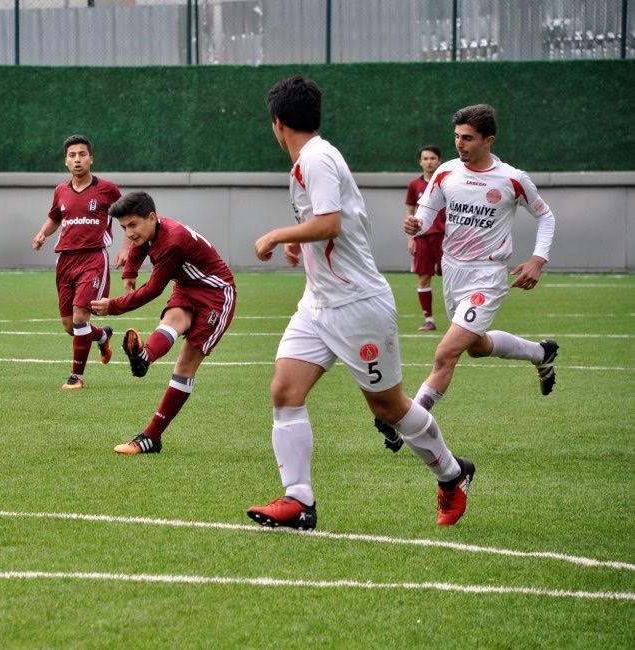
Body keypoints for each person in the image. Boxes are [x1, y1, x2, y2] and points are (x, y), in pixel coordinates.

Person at [245, 76, 474, 529]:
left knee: (388, 408)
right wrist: (298, 242)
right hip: (317, 305)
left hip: (358, 305)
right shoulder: (310, 160)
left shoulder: (316, 158)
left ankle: (452, 474)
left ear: (277, 122)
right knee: (285, 391)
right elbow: (327, 224)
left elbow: (329, 223)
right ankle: (299, 500)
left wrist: (277, 235)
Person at [400, 103, 558, 418]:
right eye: (457, 136)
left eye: (468, 138)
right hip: (452, 270)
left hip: (487, 275)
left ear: (489, 141)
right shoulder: (446, 171)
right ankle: (541, 353)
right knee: (476, 347)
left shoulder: (512, 178)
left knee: (446, 353)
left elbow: (546, 216)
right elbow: (427, 211)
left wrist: (538, 260)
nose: (459, 144)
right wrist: (417, 224)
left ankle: (408, 423)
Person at [90, 191, 236, 455]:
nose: (129, 233)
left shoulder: (172, 242)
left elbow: (153, 290)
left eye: (133, 225)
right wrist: (130, 270)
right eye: (124, 228)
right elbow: (140, 244)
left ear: (151, 217)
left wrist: (113, 306)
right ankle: (144, 357)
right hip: (188, 286)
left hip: (216, 294)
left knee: (185, 364)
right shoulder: (154, 229)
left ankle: (151, 437)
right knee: (172, 320)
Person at [32, 134, 126, 391]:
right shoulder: (61, 191)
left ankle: (76, 376)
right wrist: (42, 234)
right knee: (69, 325)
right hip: (65, 260)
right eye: (72, 155)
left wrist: (126, 249)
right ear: (65, 161)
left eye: (82, 154)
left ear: (91, 158)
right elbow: (55, 217)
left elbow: (128, 217)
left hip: (93, 258)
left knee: (80, 316)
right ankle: (102, 335)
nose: (77, 160)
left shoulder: (107, 189)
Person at [406, 145, 445, 332]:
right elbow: (410, 212)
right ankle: (429, 320)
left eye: (433, 158)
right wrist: (410, 237)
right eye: (425, 158)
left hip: (445, 237)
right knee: (423, 279)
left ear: (439, 161)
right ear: (420, 162)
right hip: (422, 238)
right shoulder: (414, 185)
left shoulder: (447, 183)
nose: (429, 162)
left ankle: (460, 321)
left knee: (453, 278)